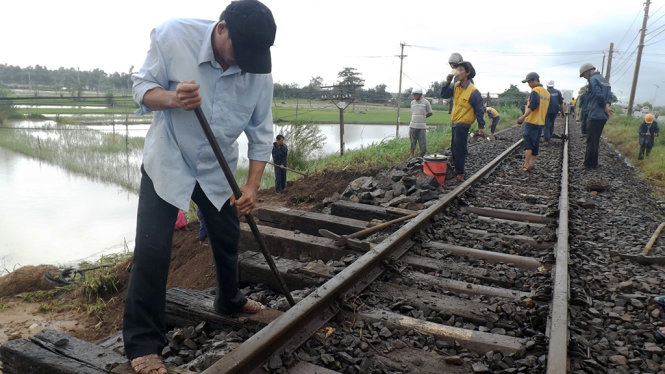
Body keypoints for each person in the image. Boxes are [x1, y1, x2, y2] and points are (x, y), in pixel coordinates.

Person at [123, 1, 277, 373]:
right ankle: (143, 345)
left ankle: (230, 299)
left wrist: (252, 188)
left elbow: (261, 135)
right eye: (239, 53)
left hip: (215, 166)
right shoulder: (173, 35)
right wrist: (173, 98)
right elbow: (141, 88)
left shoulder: (257, 69)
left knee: (227, 236)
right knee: (153, 250)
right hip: (169, 160)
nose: (243, 63)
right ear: (222, 29)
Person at [440, 61, 486, 182]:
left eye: (460, 70)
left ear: (467, 73)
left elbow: (479, 109)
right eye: (457, 69)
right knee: (454, 147)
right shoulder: (456, 86)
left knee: (458, 149)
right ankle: (457, 170)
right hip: (455, 122)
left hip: (464, 123)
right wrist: (448, 81)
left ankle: (460, 174)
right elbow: (443, 94)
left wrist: (481, 126)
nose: (457, 72)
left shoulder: (473, 90)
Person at [579, 62, 612, 169]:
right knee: (595, 139)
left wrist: (604, 106)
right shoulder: (604, 80)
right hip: (602, 116)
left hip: (595, 113)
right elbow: (609, 96)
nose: (585, 78)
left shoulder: (593, 79)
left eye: (584, 75)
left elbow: (598, 94)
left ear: (588, 72)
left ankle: (588, 164)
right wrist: (607, 106)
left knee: (591, 139)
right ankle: (594, 163)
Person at [517, 72, 551, 172]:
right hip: (540, 122)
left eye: (529, 82)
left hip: (532, 121)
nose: (529, 84)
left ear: (535, 80)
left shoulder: (535, 91)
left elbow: (533, 105)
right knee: (535, 143)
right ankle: (532, 163)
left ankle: (526, 165)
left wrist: (523, 117)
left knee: (528, 143)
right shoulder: (546, 93)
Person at [409, 87, 433, 158]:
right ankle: (411, 155)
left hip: (421, 126)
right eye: (414, 94)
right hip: (413, 125)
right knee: (412, 141)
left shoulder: (426, 102)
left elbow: (430, 112)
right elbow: (413, 112)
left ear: (420, 94)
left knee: (422, 142)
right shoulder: (412, 102)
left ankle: (422, 156)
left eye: (416, 94)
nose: (414, 96)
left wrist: (424, 117)